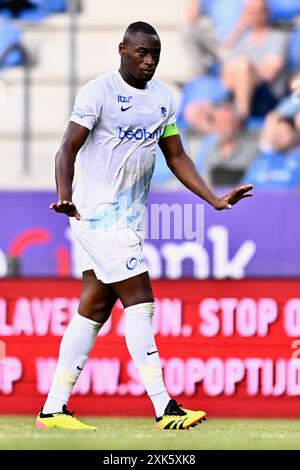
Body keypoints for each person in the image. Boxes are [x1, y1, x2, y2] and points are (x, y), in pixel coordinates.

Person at [35, 21, 253, 431]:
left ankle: (52, 408)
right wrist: (64, 195)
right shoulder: (97, 92)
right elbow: (67, 148)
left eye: (155, 53)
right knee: (141, 299)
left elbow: (177, 156)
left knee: (94, 308)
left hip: (129, 219)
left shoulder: (163, 97)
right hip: (95, 215)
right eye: (141, 52)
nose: (149, 60)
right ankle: (163, 406)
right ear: (122, 49)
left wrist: (214, 199)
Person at [222, 0, 288, 119]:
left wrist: (245, 74)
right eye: (252, 12)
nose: (257, 16)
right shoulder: (241, 40)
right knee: (195, 110)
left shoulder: (278, 37)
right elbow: (226, 79)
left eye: (260, 11)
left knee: (243, 66)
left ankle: (241, 115)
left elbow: (269, 75)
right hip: (235, 94)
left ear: (267, 13)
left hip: (266, 96)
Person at [197, 103, 257, 185]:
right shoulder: (208, 151)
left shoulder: (252, 152)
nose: (221, 127)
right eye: (217, 122)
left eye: (226, 122)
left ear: (237, 124)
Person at [244, 117, 300, 188]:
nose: (278, 137)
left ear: (294, 134)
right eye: (276, 134)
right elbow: (245, 187)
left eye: (283, 134)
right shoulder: (262, 159)